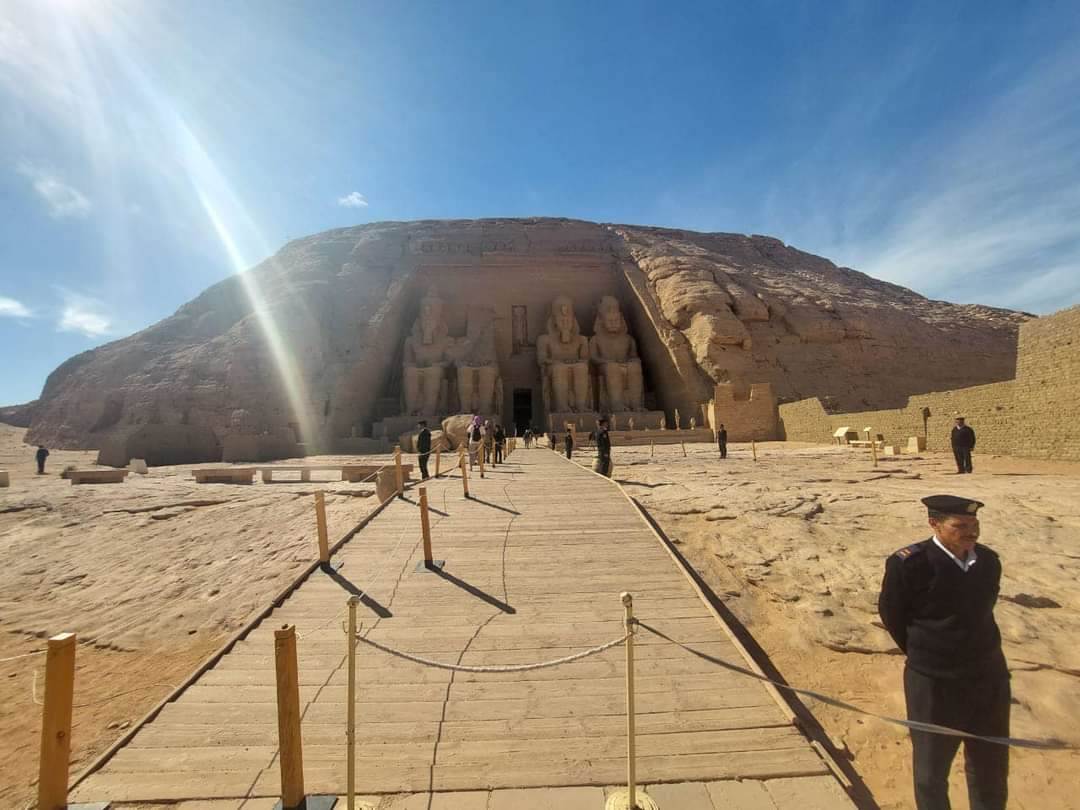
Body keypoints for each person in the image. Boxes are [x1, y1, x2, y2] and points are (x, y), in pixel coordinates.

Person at [878, 494, 1009, 810]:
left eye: (974, 524)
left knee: (991, 769)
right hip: (934, 683)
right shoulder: (910, 564)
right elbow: (893, 614)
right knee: (931, 772)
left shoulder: (988, 562)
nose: (971, 532)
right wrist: (928, 652)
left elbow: (983, 610)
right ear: (934, 524)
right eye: (960, 525)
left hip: (988, 680)